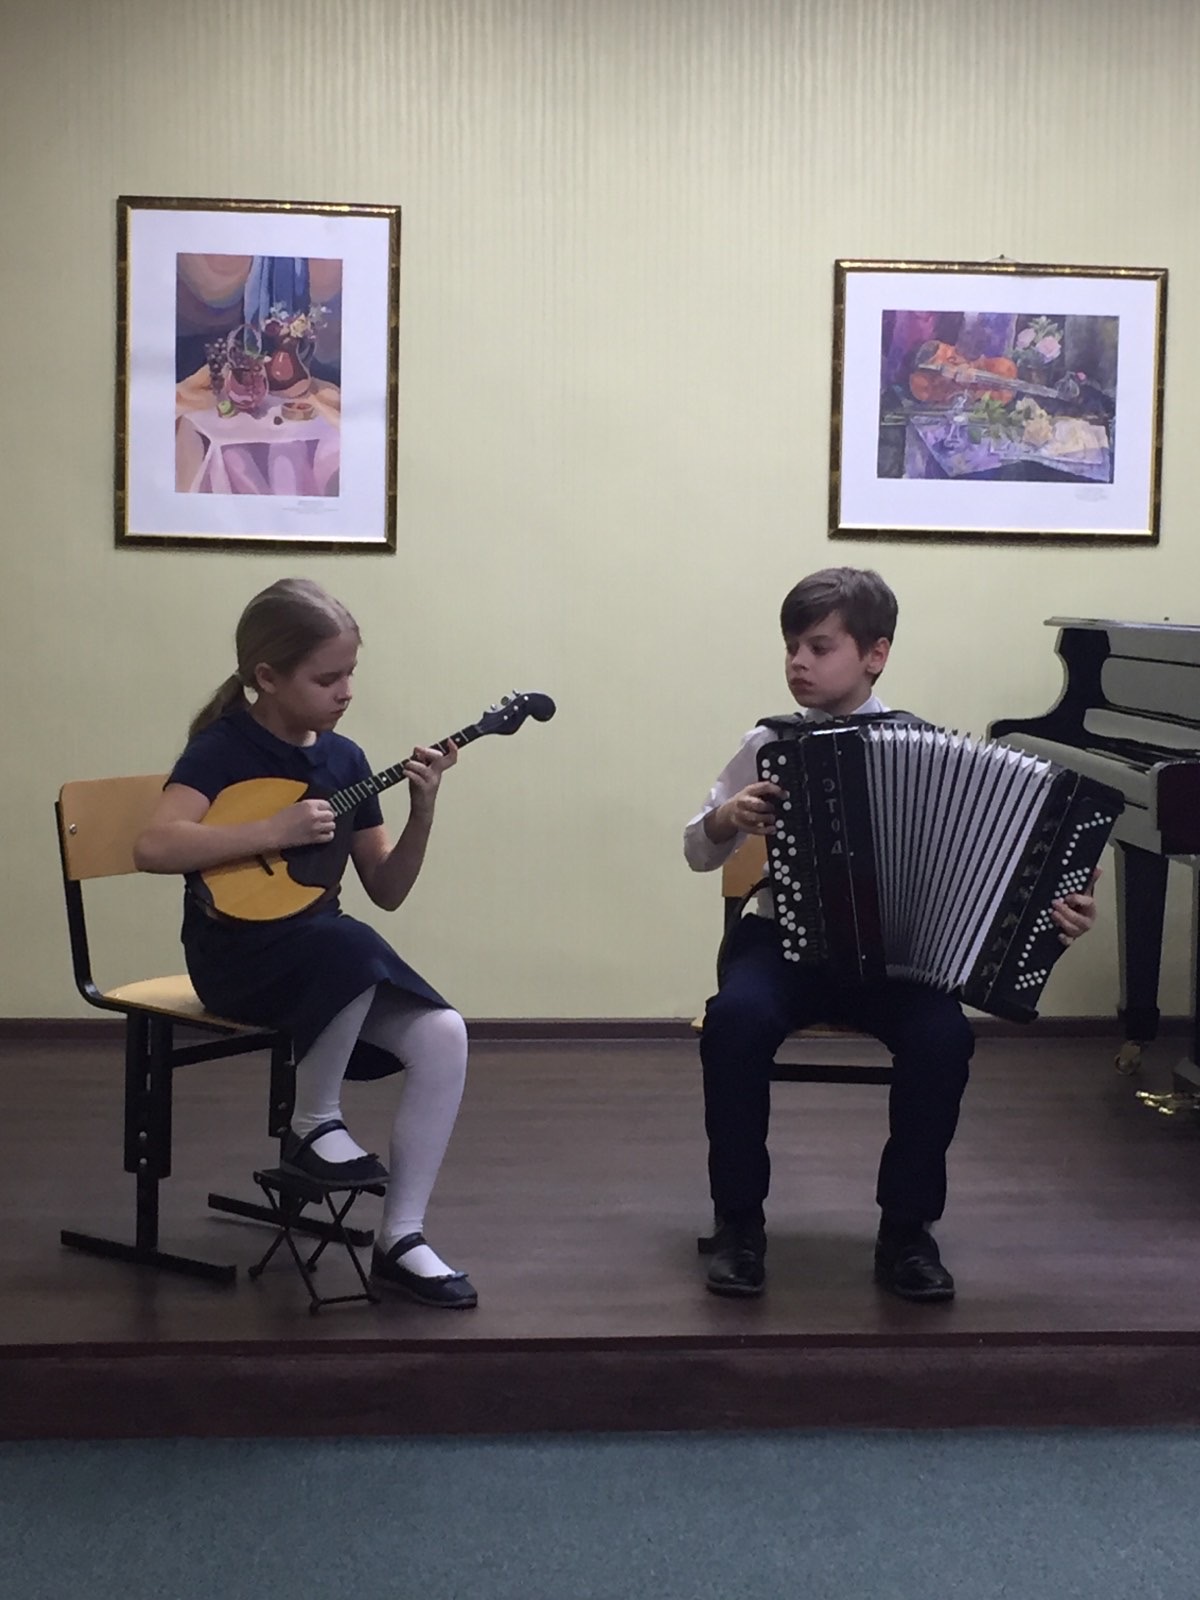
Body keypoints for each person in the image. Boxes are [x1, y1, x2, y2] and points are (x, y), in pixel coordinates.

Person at [684, 567, 1098, 1302]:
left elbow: (995, 878)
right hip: (783, 943)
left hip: (896, 959)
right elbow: (697, 851)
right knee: (735, 1021)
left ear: (875, 654)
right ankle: (739, 1223)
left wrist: (1058, 917)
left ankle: (907, 1232)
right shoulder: (769, 742)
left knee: (944, 1038)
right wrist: (726, 818)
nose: (798, 662)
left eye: (819, 647)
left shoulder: (930, 750)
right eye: (791, 646)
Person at [134, 577, 476, 1309]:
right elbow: (153, 846)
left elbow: (386, 888)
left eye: (351, 673)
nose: (345, 691)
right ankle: (314, 1124)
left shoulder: (346, 761)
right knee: (346, 949)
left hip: (324, 961)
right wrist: (271, 830)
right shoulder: (221, 750)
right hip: (237, 960)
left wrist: (423, 811)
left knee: (444, 1033)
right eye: (327, 678)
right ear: (266, 677)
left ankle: (401, 1238)